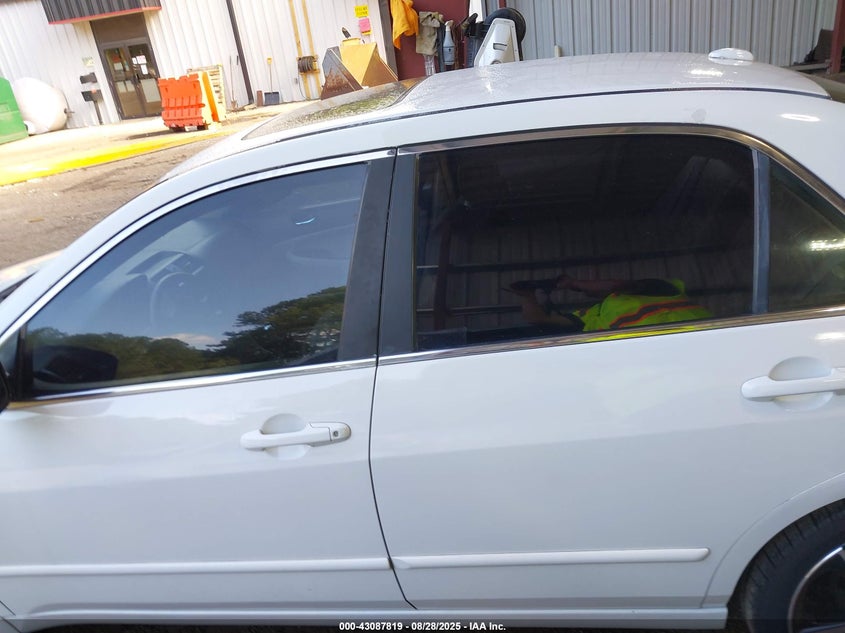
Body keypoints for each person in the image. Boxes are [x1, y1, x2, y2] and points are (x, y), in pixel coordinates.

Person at [509, 273, 712, 332]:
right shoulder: (592, 315)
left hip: (697, 338)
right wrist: (527, 295)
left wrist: (575, 283)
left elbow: (616, 284)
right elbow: (539, 319)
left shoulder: (652, 288)